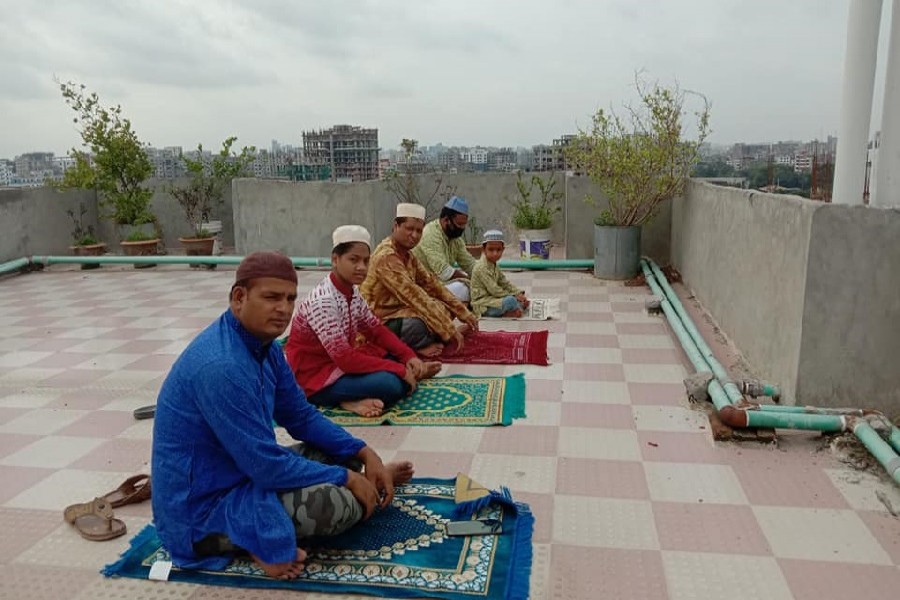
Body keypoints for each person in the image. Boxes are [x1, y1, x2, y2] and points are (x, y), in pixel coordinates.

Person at [151, 251, 414, 580]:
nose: (284, 309)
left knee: (335, 453)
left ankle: (360, 480)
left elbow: (301, 416)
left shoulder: (264, 348)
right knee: (334, 505)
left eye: (290, 298)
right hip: (201, 510)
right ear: (239, 297)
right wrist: (347, 478)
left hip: (240, 474)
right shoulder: (221, 366)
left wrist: (364, 452)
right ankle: (254, 541)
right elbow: (265, 466)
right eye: (271, 297)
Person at [285, 225, 441, 418]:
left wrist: (408, 357)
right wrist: (400, 370)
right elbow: (346, 359)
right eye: (353, 260)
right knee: (391, 385)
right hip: (314, 377)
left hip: (340, 366)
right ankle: (343, 399)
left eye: (366, 261)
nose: (362, 267)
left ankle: (354, 395)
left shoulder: (352, 291)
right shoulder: (324, 301)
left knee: (395, 356)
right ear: (335, 260)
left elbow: (375, 329)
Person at [361, 202, 479, 358]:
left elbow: (432, 285)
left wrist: (462, 312)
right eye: (409, 229)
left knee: (441, 308)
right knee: (418, 323)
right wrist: (449, 328)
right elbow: (414, 296)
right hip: (378, 321)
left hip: (400, 312)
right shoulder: (387, 257)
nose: (415, 235)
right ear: (396, 226)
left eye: (418, 230)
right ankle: (417, 347)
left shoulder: (408, 256)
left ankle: (431, 338)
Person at [411, 195, 476, 302]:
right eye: (459, 224)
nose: (462, 229)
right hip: (424, 288)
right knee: (462, 288)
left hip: (441, 285)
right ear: (446, 220)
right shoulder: (431, 234)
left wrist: (486, 277)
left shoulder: (455, 239)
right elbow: (445, 273)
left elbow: (470, 264)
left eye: (464, 225)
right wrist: (471, 281)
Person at [470, 229, 530, 318]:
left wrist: (518, 293)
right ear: (483, 249)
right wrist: (514, 296)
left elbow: (504, 283)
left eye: (498, 250)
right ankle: (512, 310)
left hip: (494, 299)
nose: (495, 253)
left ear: (503, 249)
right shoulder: (481, 267)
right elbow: (494, 290)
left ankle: (513, 310)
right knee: (511, 300)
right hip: (483, 303)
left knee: (515, 299)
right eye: (491, 249)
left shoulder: (493, 264)